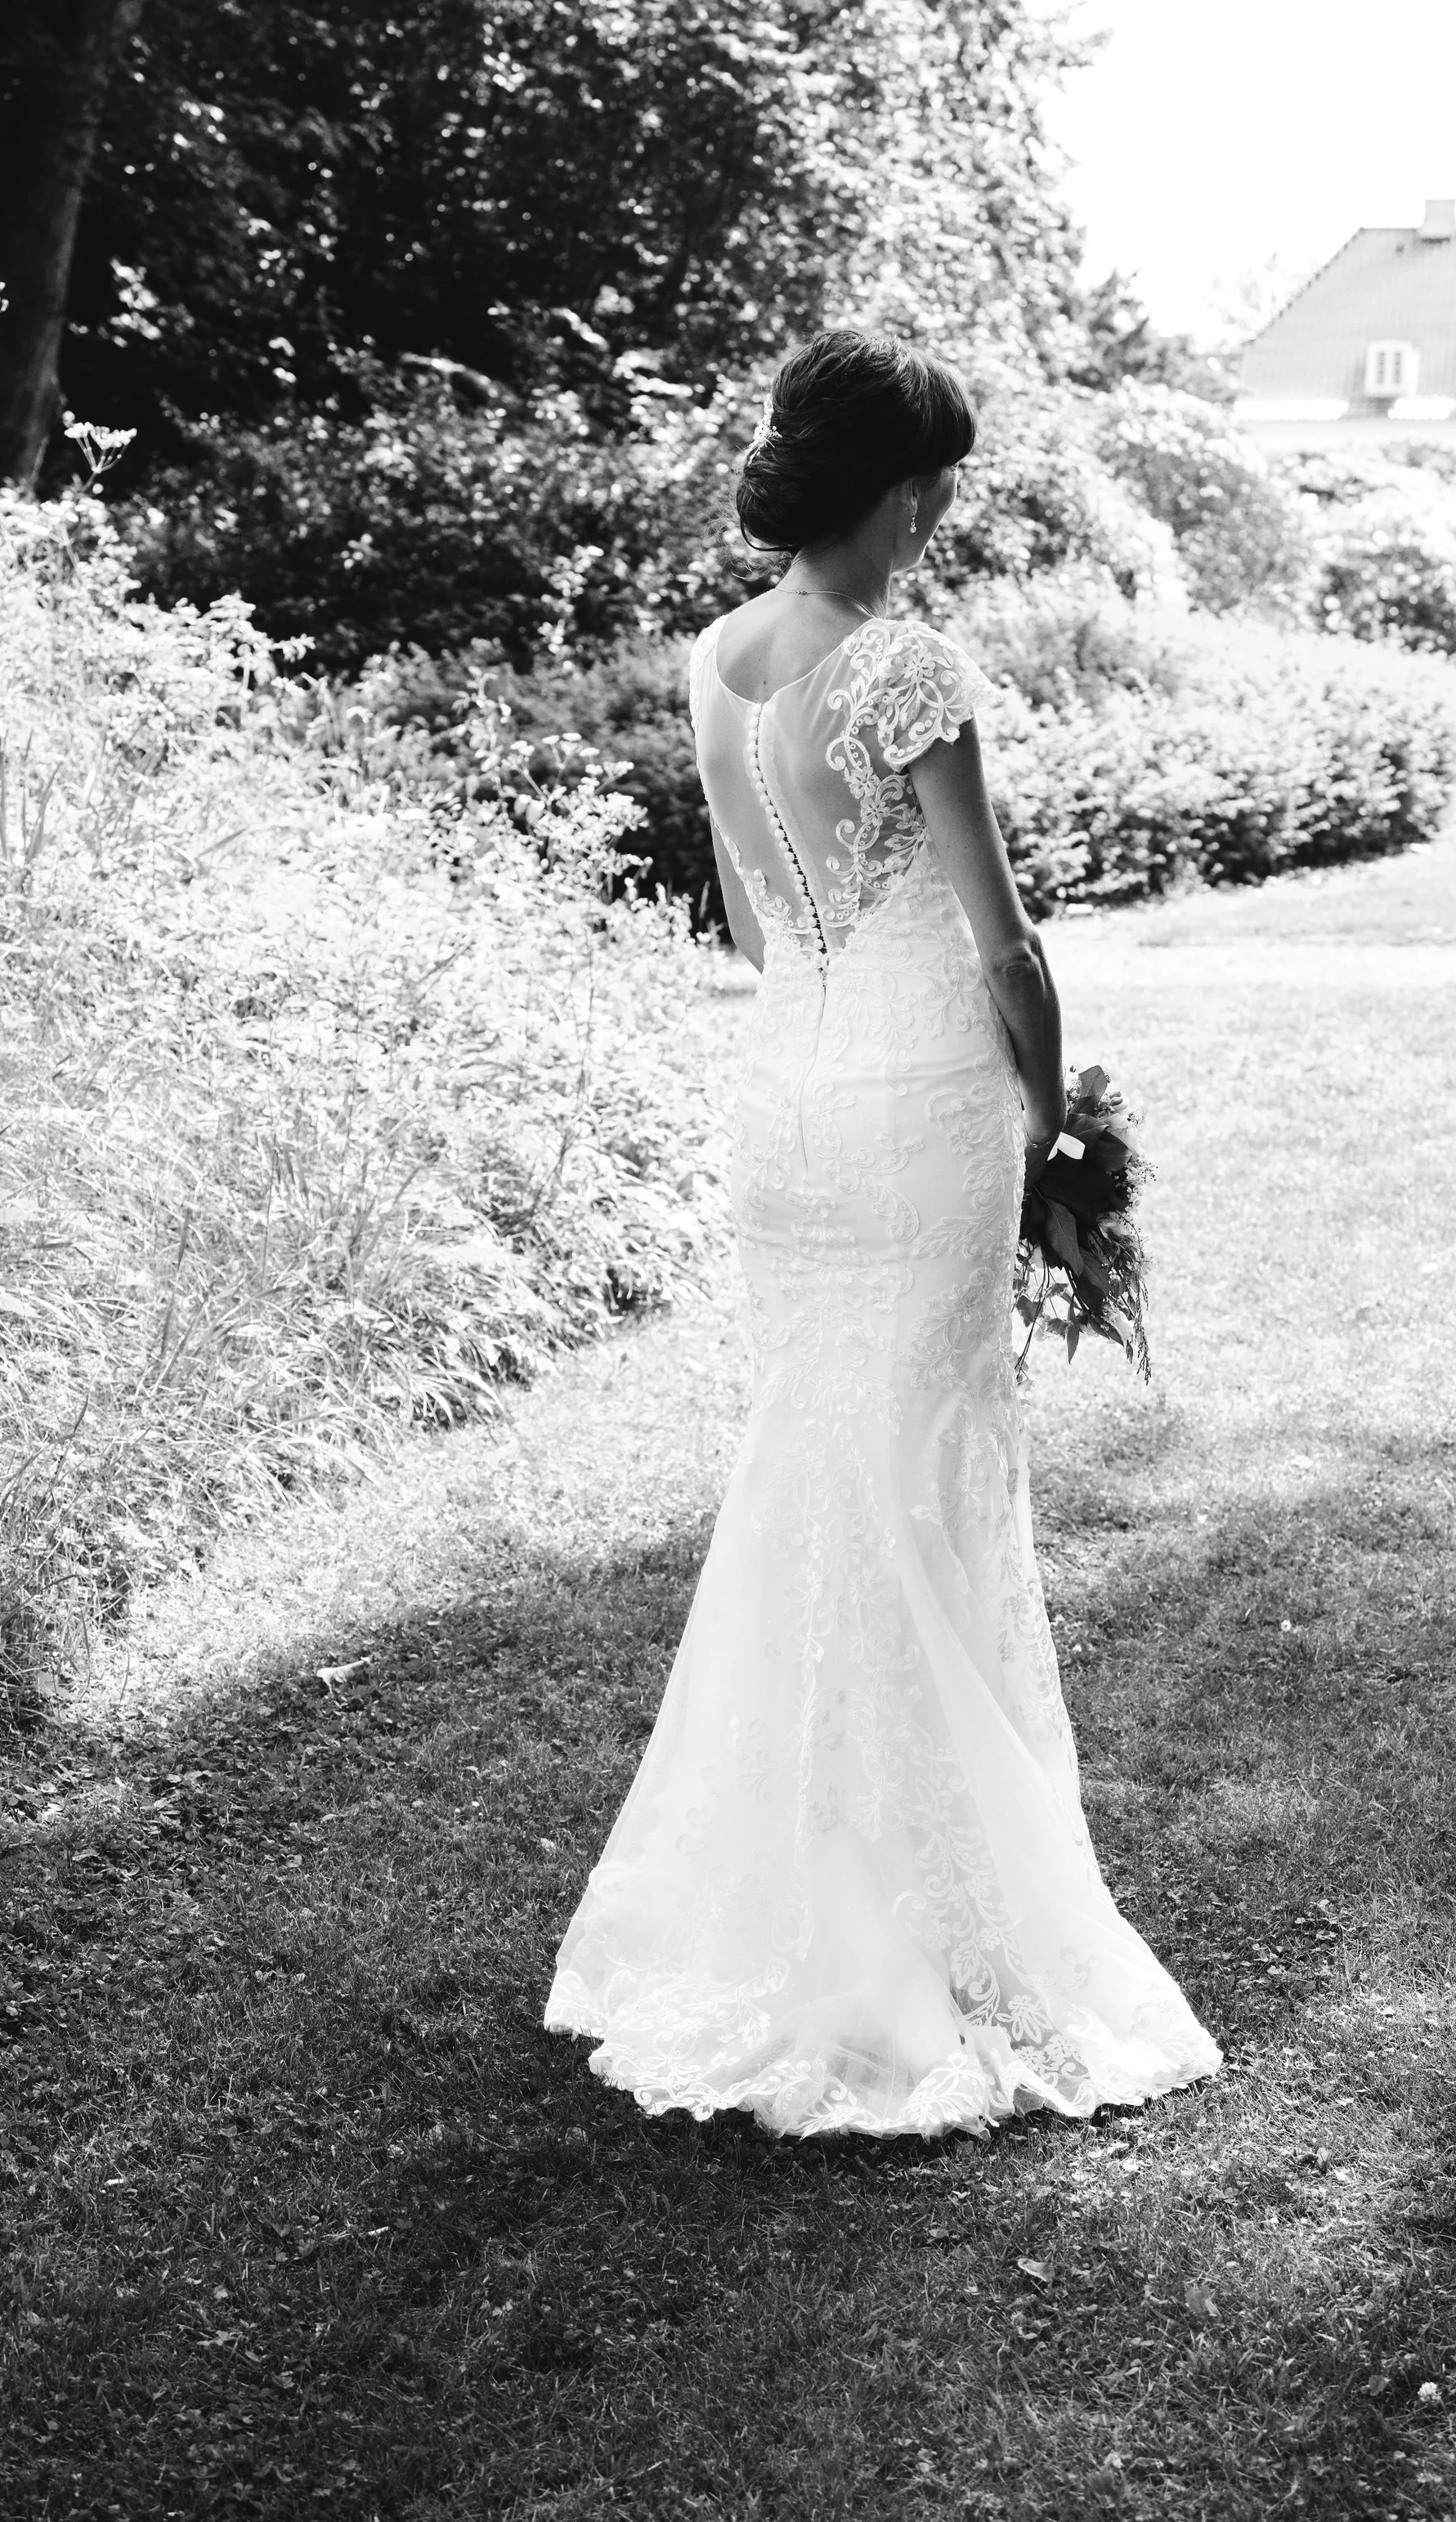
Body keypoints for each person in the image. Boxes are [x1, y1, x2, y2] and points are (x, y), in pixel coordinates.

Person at [545, 328, 1221, 2139]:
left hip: (786, 1094)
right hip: (919, 1104)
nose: (940, 517)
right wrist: (1051, 1121)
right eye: (941, 490)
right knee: (922, 1476)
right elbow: (1005, 944)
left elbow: (751, 920)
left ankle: (793, 1888)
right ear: (905, 492)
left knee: (815, 1461)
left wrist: (847, 1014)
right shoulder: (905, 663)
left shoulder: (718, 659)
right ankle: (924, 1912)